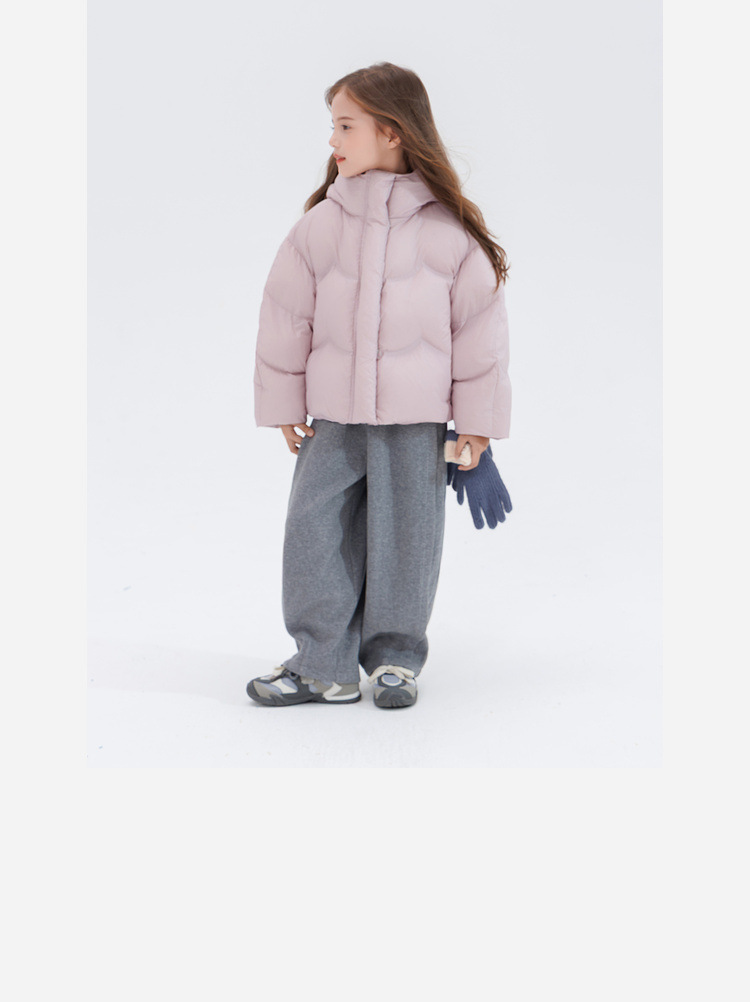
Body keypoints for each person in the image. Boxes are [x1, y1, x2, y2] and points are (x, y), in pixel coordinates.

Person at [246, 61, 511, 709]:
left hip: (416, 424)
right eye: (332, 125)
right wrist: (284, 403)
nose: (332, 140)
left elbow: (481, 335)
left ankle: (395, 658)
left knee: (407, 539)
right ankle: (322, 664)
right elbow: (285, 316)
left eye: (346, 126)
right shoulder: (319, 227)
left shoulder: (448, 234)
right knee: (313, 531)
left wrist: (476, 426)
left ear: (392, 131)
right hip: (333, 419)